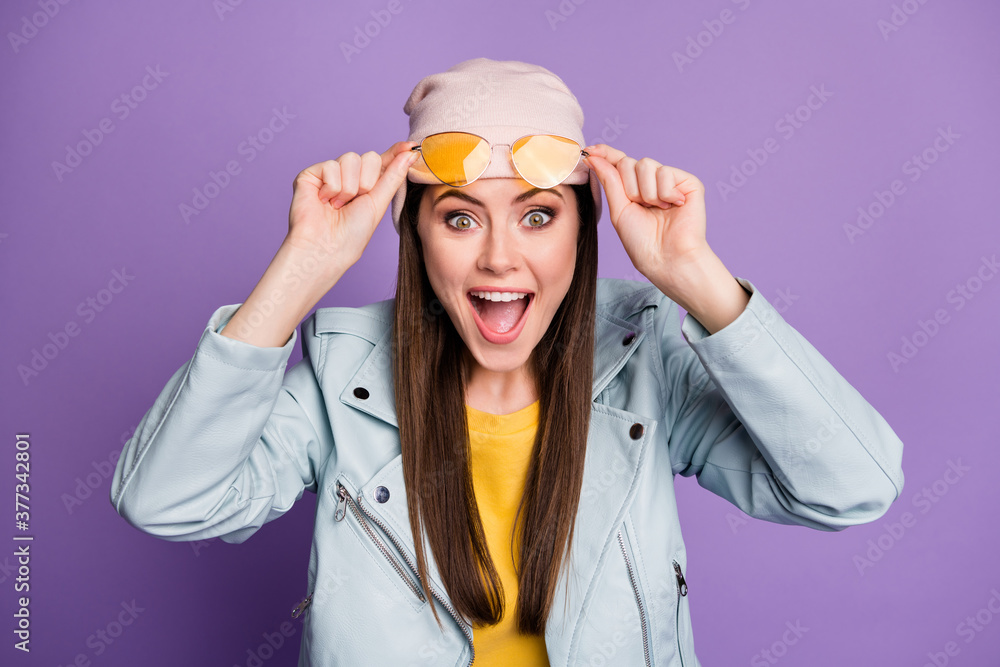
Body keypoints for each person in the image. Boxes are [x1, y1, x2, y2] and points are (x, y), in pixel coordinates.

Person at [110, 58, 905, 667]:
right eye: (460, 218)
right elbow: (167, 500)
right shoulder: (340, 379)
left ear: (583, 229)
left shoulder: (647, 363)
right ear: (416, 236)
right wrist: (301, 269)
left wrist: (695, 275)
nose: (499, 257)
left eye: (538, 215)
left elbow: (852, 486)